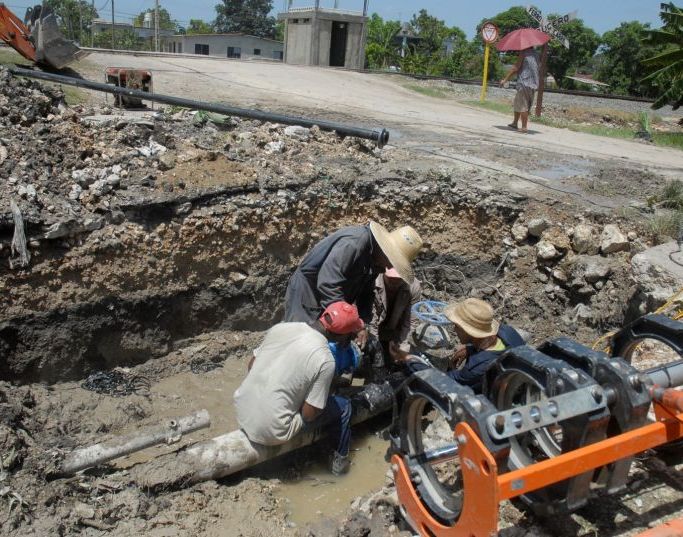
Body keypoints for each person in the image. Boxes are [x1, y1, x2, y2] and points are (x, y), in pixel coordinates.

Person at [234, 301, 364, 475]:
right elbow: (309, 415)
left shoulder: (282, 328)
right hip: (272, 431)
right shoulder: (325, 360)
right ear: (341, 337)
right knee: (344, 406)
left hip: (241, 410)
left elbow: (252, 366)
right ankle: (339, 466)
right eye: (350, 335)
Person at [283, 222, 423, 349]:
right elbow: (328, 283)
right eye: (392, 261)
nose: (389, 266)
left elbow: (366, 293)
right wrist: (354, 324)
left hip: (332, 296)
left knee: (322, 344)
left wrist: (363, 322)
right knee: (300, 340)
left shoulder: (375, 259)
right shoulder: (354, 243)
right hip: (308, 291)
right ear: (386, 250)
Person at [390, 298, 524, 393]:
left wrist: (409, 359)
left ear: (469, 331)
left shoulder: (477, 368)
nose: (454, 329)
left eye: (457, 326)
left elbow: (441, 382)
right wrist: (470, 348)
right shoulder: (508, 332)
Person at [365, 268, 421, 377]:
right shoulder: (372, 280)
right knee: (374, 359)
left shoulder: (413, 286)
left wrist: (402, 348)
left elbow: (410, 321)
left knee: (397, 361)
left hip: (394, 328)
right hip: (372, 327)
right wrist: (376, 350)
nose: (394, 282)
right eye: (390, 279)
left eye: (398, 279)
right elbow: (372, 320)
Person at [499, 47, 540, 134]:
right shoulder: (536, 54)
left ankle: (524, 127)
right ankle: (514, 123)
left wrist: (505, 79)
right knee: (519, 102)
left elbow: (516, 68)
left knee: (523, 105)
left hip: (524, 82)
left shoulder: (524, 52)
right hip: (533, 83)